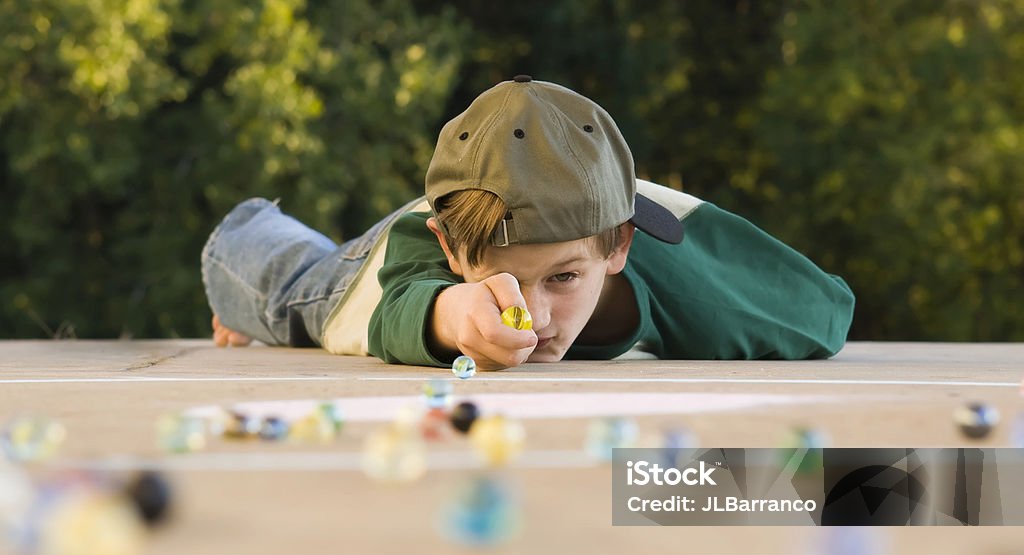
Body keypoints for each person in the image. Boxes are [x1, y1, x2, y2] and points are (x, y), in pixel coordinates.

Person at [202, 76, 855, 370]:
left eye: (564, 278)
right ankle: (280, 235)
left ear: (619, 246)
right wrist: (460, 315)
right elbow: (406, 304)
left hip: (593, 211)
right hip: (369, 269)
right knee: (278, 287)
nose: (535, 316)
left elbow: (821, 315)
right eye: (506, 284)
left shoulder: (686, 278)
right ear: (455, 254)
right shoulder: (432, 258)